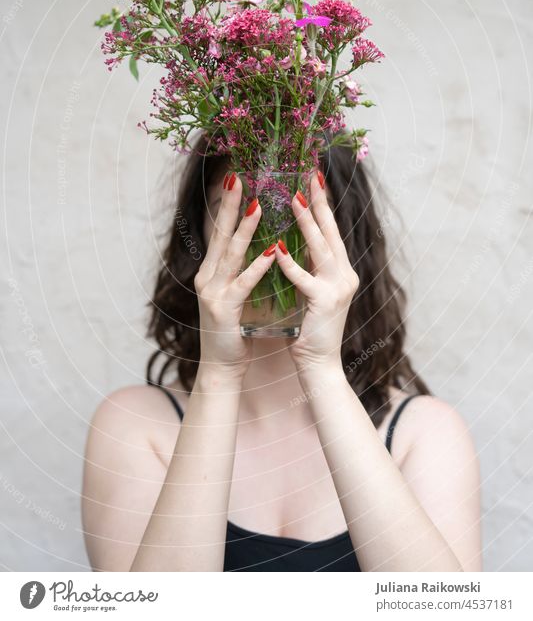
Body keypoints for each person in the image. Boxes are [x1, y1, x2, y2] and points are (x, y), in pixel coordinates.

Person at [81, 132, 482, 572]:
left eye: (298, 214)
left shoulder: (422, 434)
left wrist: (321, 369)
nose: (272, 250)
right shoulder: (137, 426)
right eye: (241, 214)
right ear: (197, 238)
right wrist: (219, 373)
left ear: (346, 236)